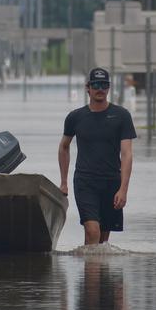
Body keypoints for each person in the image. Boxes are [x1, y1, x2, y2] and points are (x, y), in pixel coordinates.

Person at [58, 67, 135, 245]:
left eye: (104, 85)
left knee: (102, 241)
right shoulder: (75, 117)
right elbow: (64, 147)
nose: (100, 89)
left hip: (111, 182)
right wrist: (64, 182)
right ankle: (91, 270)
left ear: (109, 88)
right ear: (88, 88)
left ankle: (93, 272)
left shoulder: (121, 116)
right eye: (96, 85)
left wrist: (123, 189)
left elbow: (127, 154)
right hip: (85, 182)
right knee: (93, 231)